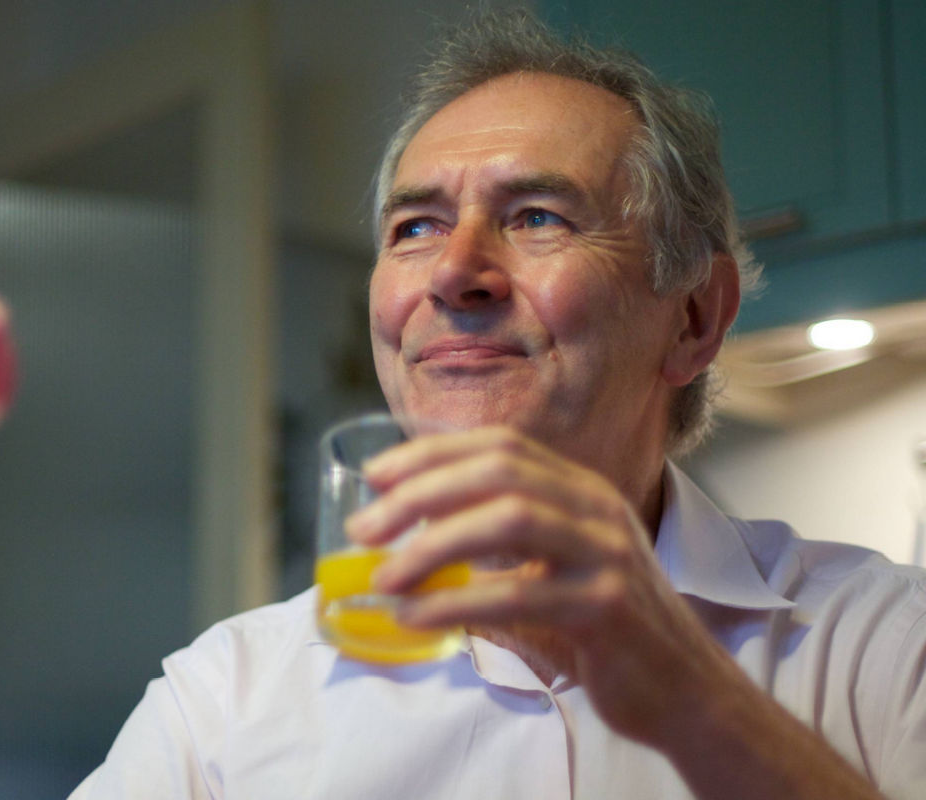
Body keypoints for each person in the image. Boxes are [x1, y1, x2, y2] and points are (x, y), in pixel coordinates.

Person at [71, 10, 926, 799]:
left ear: (695, 317)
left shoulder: (885, 647)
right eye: (416, 227)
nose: (453, 272)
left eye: (538, 216)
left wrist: (694, 700)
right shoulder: (224, 702)